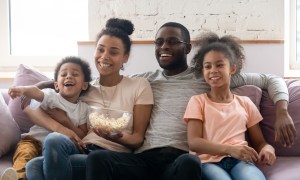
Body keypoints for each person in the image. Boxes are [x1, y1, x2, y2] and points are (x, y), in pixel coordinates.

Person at [25, 21, 295, 180]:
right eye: (158, 42)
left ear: (187, 48)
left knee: (190, 164)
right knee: (43, 165)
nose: (164, 47)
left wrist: (282, 110)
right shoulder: (145, 79)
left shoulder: (207, 76)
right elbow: (82, 86)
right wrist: (47, 84)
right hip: (142, 158)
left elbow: (270, 79)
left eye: (172, 42)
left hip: (180, 158)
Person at [24, 18, 154, 180]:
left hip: (110, 157)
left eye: (113, 52)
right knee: (49, 145)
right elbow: (30, 105)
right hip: (82, 149)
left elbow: (137, 139)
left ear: (125, 57)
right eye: (100, 50)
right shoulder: (86, 88)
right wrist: (44, 85)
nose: (104, 57)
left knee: (36, 166)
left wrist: (114, 136)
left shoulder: (139, 85)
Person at [184, 32, 276, 180]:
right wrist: (230, 149)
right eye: (208, 66)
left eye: (219, 65)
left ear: (232, 69)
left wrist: (268, 149)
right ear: (203, 71)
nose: (213, 70)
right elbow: (194, 142)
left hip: (240, 161)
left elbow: (260, 142)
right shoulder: (198, 101)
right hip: (208, 163)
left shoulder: (245, 102)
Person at [0, 56, 92, 180]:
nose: (68, 76)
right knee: (25, 156)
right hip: (33, 140)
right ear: (56, 85)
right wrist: (23, 90)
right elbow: (36, 92)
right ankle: (16, 177)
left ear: (84, 85)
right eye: (63, 74)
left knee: (35, 166)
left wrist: (65, 121)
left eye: (75, 74)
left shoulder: (83, 108)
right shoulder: (52, 96)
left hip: (56, 151)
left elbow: (81, 134)